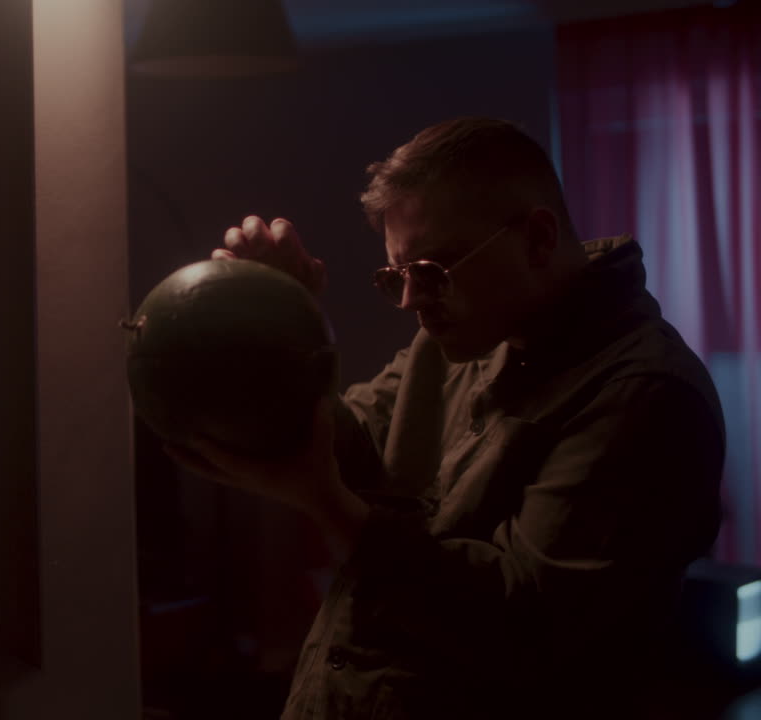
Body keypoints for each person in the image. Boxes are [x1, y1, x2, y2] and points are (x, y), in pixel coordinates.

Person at [169, 117, 725, 719]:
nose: (411, 303)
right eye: (397, 276)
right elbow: (346, 443)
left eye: (432, 272)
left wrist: (326, 502)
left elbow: (525, 623)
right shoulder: (460, 341)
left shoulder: (646, 394)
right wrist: (282, 328)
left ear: (538, 239)